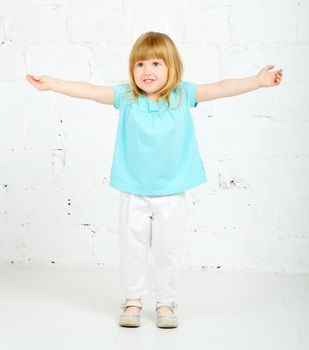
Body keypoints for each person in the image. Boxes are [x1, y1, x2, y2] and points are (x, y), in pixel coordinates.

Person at [25, 31, 283, 329]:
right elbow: (90, 90)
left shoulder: (183, 94)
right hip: (133, 190)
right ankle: (133, 300)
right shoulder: (127, 97)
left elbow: (221, 88)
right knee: (132, 249)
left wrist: (256, 81)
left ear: (172, 67)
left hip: (172, 192)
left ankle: (165, 302)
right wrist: (53, 84)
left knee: (167, 251)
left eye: (156, 64)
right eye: (140, 65)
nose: (147, 71)